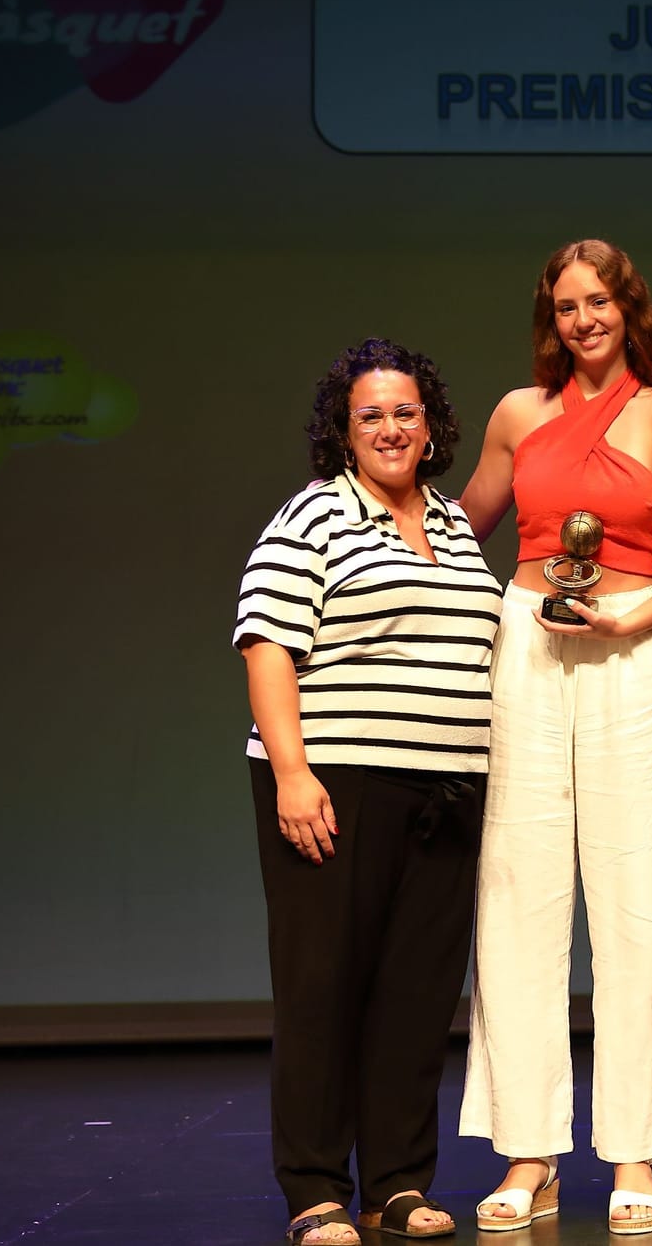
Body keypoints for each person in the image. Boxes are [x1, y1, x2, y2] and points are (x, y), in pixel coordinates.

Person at [455, 240, 652, 1235]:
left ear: (627, 305)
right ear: (549, 317)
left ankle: (633, 1151)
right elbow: (461, 522)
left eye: (596, 299)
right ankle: (530, 1152)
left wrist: (633, 617)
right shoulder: (519, 413)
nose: (581, 318)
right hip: (526, 648)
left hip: (627, 651)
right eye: (564, 305)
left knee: (635, 895)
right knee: (516, 893)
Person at [234, 339, 504, 1245]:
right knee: (323, 989)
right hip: (337, 783)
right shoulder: (313, 516)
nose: (391, 427)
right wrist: (292, 772)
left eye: (406, 412)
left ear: (431, 425)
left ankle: (396, 1179)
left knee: (416, 995)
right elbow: (267, 643)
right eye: (370, 415)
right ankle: (313, 1189)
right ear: (343, 432)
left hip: (448, 792)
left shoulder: (458, 524)